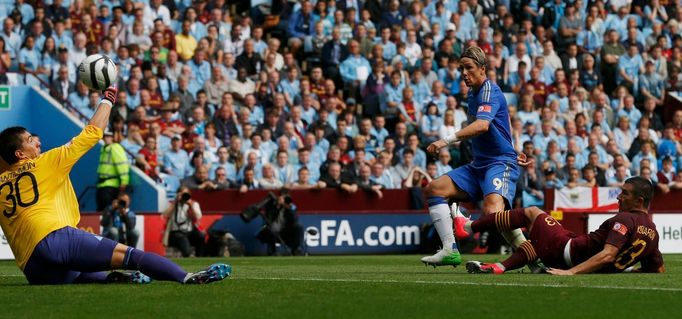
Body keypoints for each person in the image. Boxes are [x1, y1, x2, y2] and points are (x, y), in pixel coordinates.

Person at [0, 86, 229, 285]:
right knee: (131, 256)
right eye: (31, 140)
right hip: (55, 238)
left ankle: (119, 278)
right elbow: (92, 132)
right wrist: (108, 97)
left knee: (77, 276)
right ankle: (187, 277)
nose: (37, 141)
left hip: (32, 266)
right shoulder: (45, 162)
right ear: (20, 154)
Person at [421, 46, 531, 267]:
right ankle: (449, 249)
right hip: (480, 164)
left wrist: (444, 141)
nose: (464, 73)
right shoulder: (473, 95)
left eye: (469, 68)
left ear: (482, 69)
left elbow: (482, 126)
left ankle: (468, 226)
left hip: (499, 163)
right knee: (434, 189)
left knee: (493, 212)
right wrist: (511, 146)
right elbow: (502, 125)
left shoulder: (490, 90)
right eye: (461, 68)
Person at [464, 177, 664, 275]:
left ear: (639, 201)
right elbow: (657, 270)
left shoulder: (626, 219)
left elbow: (608, 254)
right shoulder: (653, 234)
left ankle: (468, 227)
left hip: (566, 253)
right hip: (573, 250)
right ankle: (500, 267)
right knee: (539, 241)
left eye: (625, 193)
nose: (619, 196)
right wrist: (622, 269)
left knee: (532, 212)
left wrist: (571, 272)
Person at [162, 186, 206, 257]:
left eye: (185, 194)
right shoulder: (172, 204)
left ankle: (199, 257)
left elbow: (197, 217)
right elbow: (165, 215)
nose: (183, 196)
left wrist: (190, 205)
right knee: (185, 247)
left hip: (189, 232)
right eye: (181, 194)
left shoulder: (194, 204)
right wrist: (175, 203)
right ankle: (188, 254)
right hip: (176, 233)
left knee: (200, 236)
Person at [96, 129, 129, 211]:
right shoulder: (104, 148)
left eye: (109, 136)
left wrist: (124, 181)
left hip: (111, 186)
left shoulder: (115, 147)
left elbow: (122, 165)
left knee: (109, 209)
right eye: (105, 136)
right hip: (102, 185)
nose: (107, 138)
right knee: (101, 210)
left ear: (113, 138)